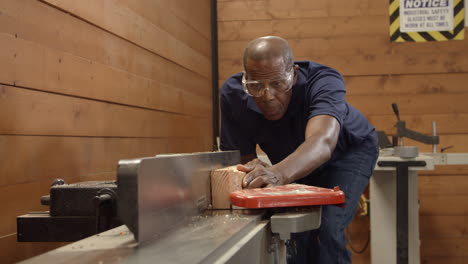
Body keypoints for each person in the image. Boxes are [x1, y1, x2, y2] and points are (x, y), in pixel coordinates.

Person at [219, 36, 379, 263]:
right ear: (246, 79)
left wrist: (277, 173)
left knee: (326, 228)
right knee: (294, 230)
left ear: (293, 75)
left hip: (347, 153)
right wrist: (254, 173)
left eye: (277, 84)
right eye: (256, 86)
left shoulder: (324, 80)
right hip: (291, 162)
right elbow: (242, 158)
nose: (268, 96)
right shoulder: (233, 94)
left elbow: (322, 143)